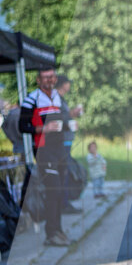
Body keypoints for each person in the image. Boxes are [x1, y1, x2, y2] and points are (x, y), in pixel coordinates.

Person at [18, 68, 69, 246]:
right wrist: (43, 129)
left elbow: (64, 120)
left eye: (52, 77)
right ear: (38, 80)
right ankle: (51, 234)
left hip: (59, 149)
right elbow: (22, 126)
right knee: (52, 190)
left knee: (60, 190)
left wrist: (70, 122)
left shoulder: (58, 97)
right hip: (43, 150)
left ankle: (58, 230)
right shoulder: (31, 99)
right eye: (45, 77)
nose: (49, 80)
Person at [56, 74, 82, 213]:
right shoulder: (57, 100)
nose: (69, 85)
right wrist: (72, 114)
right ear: (63, 84)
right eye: (68, 83)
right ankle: (64, 205)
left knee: (64, 172)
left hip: (66, 140)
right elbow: (58, 118)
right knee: (63, 172)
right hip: (62, 141)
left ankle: (65, 203)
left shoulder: (61, 99)